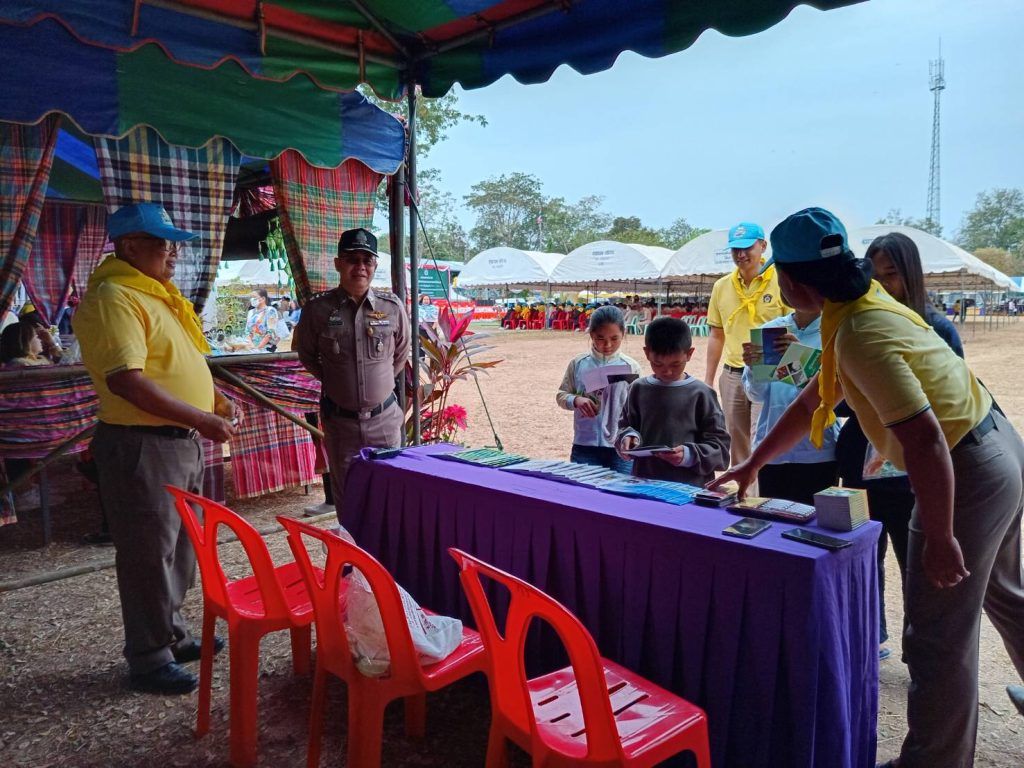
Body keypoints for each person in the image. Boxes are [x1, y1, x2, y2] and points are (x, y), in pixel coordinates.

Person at [708, 207, 1024, 768]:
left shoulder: (859, 331)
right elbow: (815, 395)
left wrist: (941, 535)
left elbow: (925, 441)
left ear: (793, 281)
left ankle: (932, 762)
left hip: (964, 467)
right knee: (1006, 593)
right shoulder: (854, 303)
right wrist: (753, 462)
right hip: (996, 446)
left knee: (936, 636)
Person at [74, 202, 240, 695]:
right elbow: (127, 381)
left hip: (178, 441)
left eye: (173, 244)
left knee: (182, 546)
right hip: (142, 445)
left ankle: (172, 634)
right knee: (149, 554)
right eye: (163, 243)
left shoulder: (154, 294)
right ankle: (148, 657)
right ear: (129, 246)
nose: (173, 252)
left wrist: (214, 399)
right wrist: (202, 418)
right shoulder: (115, 296)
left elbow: (173, 363)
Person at [836, 232, 964, 659]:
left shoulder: (935, 328)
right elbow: (840, 402)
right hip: (862, 467)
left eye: (892, 274)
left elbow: (944, 408)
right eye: (875, 275)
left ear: (912, 275)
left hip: (913, 470)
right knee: (865, 556)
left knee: (918, 560)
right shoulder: (855, 326)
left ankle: (921, 646)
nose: (883, 285)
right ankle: (870, 638)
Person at [294, 227, 409, 519]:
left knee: (390, 496)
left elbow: (400, 355)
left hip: (384, 422)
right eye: (351, 259)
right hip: (341, 424)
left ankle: (384, 549)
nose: (360, 267)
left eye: (366, 260)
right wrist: (338, 380)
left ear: (374, 266)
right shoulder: (318, 310)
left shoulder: (392, 307)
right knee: (348, 501)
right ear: (338, 264)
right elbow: (307, 355)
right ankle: (352, 548)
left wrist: (376, 385)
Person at [704, 222, 788, 474]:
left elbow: (796, 328)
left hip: (770, 371)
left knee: (763, 438)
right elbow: (716, 334)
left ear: (762, 246)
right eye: (735, 249)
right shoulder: (722, 286)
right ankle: (745, 492)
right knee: (737, 440)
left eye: (747, 248)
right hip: (733, 373)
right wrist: (709, 379)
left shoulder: (782, 281)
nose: (741, 255)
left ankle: (764, 492)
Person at [741, 299, 838, 504]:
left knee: (814, 519)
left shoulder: (835, 332)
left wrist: (800, 358)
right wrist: (752, 367)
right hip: (772, 449)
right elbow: (756, 395)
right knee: (773, 517)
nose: (799, 292)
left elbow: (830, 395)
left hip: (817, 451)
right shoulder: (770, 331)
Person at [616, 317, 730, 486]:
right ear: (647, 353)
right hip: (644, 484)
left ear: (689, 354)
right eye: (657, 364)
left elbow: (720, 450)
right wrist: (627, 438)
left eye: (676, 364)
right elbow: (624, 427)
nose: (667, 371)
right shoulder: (638, 389)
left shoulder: (702, 394)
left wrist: (689, 455)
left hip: (690, 488)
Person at [556, 305, 641, 473]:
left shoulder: (631, 367)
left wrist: (632, 437)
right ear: (591, 335)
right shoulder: (579, 364)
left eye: (614, 338)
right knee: (583, 488)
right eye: (600, 338)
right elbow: (561, 395)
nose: (607, 345)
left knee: (620, 489)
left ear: (623, 334)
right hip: (585, 445)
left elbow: (638, 409)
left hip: (620, 447)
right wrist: (576, 400)